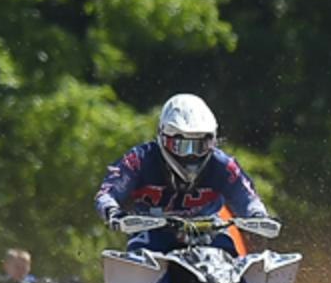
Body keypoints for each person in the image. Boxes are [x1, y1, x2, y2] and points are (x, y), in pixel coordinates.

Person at [93, 92, 275, 246]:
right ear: (163, 138)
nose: (192, 155)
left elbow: (248, 198)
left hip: (208, 232)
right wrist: (113, 212)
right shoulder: (140, 160)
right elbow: (107, 193)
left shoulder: (223, 165)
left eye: (201, 145)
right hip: (152, 232)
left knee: (229, 249)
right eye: (181, 145)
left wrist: (258, 215)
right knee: (139, 252)